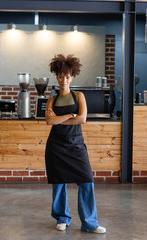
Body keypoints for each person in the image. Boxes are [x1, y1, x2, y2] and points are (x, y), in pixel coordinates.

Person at [44, 54, 106, 234]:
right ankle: (62, 217)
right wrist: (70, 116)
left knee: (87, 181)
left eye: (68, 76)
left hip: (76, 145)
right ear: (57, 77)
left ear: (73, 77)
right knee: (58, 183)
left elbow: (82, 119)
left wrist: (60, 119)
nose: (64, 80)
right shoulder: (51, 100)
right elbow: (49, 121)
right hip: (56, 146)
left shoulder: (79, 96)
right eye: (61, 76)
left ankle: (90, 223)